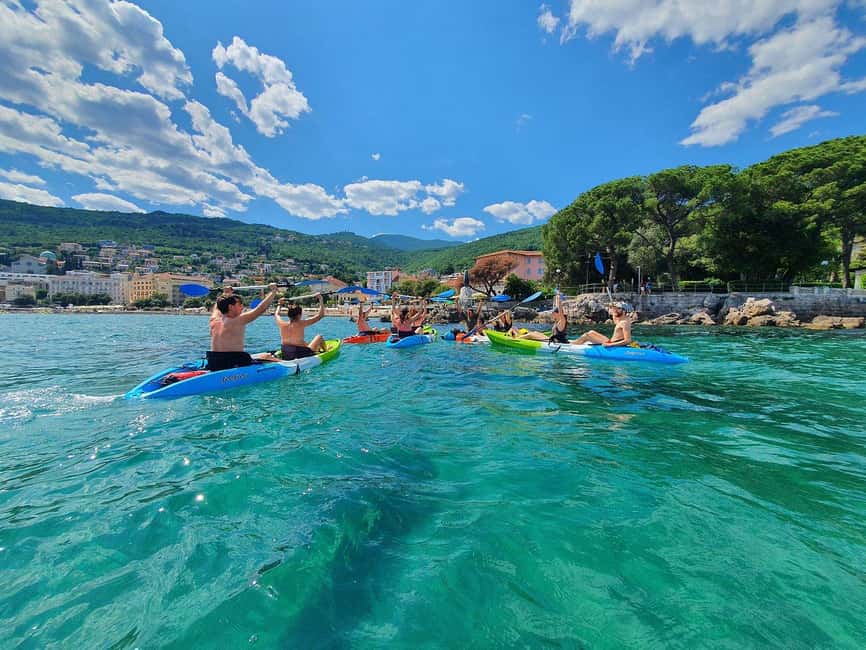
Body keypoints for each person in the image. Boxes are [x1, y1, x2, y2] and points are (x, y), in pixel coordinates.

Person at [207, 283, 278, 371]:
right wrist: (273, 291)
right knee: (267, 356)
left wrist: (226, 293)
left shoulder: (214, 319)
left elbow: (218, 307)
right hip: (234, 361)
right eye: (240, 304)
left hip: (214, 362)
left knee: (261, 355)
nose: (242, 307)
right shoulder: (238, 320)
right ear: (231, 307)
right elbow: (261, 309)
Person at [270, 293, 327, 360]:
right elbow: (320, 315)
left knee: (305, 343)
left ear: (289, 315)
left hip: (287, 353)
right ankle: (326, 351)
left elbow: (276, 314)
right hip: (302, 354)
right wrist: (321, 299)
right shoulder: (301, 323)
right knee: (319, 337)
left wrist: (280, 304)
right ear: (299, 315)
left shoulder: (281, 324)